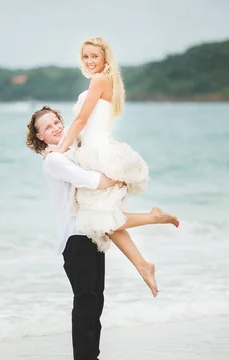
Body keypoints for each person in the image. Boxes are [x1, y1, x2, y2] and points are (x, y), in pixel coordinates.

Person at [25, 106, 177, 360]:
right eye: (48, 127)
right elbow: (89, 180)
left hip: (92, 231)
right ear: (39, 137)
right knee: (85, 298)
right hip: (74, 237)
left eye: (57, 121)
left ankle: (93, 357)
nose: (56, 127)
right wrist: (117, 179)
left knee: (97, 297)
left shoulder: (70, 151)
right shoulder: (53, 160)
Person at [44, 37, 178, 296]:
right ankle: (143, 265)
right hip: (93, 151)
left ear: (105, 57)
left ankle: (154, 219)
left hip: (99, 155)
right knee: (104, 221)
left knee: (103, 220)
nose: (90, 61)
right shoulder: (109, 81)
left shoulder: (99, 80)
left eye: (94, 56)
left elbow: (82, 120)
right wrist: (68, 150)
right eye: (86, 57)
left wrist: (60, 149)